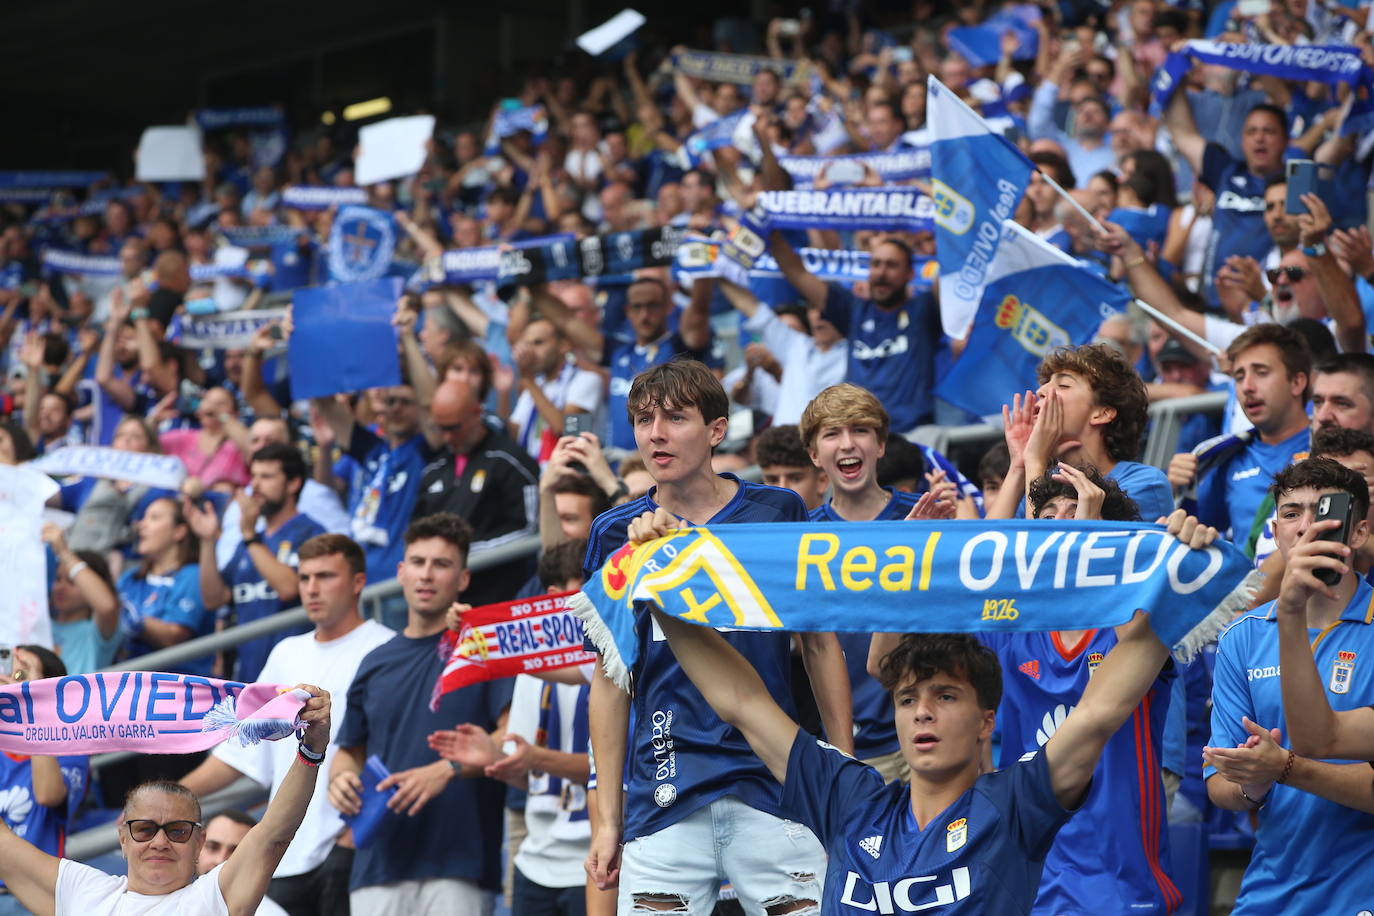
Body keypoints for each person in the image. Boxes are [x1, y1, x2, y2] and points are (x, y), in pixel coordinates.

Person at [649, 510, 1215, 914]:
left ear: (985, 721)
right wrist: (663, 591)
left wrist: (1178, 583)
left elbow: (1095, 714)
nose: (922, 713)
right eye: (906, 699)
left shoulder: (1016, 803)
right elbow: (743, 704)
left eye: (945, 696)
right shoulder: (850, 798)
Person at [583, 359, 851, 914]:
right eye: (641, 419)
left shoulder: (778, 512)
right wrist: (607, 821)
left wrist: (841, 775)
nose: (655, 433)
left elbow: (819, 645)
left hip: (777, 789)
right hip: (664, 795)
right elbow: (609, 683)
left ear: (716, 430)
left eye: (675, 417)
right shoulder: (613, 533)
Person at [984, 464, 1182, 916]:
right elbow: (889, 661)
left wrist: (1094, 538)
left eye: (1074, 513)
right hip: (1027, 881)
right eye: (1047, 518)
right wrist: (1023, 462)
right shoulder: (1012, 629)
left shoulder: (1132, 625)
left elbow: (1150, 603)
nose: (1058, 528)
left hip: (1117, 885)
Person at [181, 534, 395, 916]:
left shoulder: (387, 649)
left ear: (358, 582)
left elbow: (401, 749)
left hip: (354, 846)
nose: (312, 588)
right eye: (304, 577)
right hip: (285, 848)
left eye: (325, 576)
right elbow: (243, 751)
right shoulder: (286, 653)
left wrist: (358, 833)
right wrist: (175, 794)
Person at [1203, 458, 1374, 915]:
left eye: (1323, 511)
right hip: (1271, 888)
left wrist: (1283, 767)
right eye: (1292, 514)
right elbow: (1218, 784)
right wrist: (1253, 784)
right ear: (1276, 533)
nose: (1305, 527)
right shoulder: (1241, 636)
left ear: (1357, 533)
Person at [0, 686, 331, 916]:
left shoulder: (214, 897)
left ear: (200, 840)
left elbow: (274, 833)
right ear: (122, 837)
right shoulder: (83, 891)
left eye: (177, 831)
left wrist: (311, 749)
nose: (159, 842)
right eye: (144, 829)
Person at [328, 514, 512, 915]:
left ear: (463, 579)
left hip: (459, 862)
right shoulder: (374, 662)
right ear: (401, 572)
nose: (427, 575)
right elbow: (348, 750)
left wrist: (445, 769)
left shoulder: (484, 647)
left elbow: (509, 739)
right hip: (377, 862)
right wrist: (340, 776)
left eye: (441, 564)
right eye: (418, 562)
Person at [431, 538, 594, 916]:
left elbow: (620, 775)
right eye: (587, 586)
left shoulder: (616, 666)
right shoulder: (529, 674)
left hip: (596, 862)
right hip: (534, 865)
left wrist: (537, 757)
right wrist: (495, 760)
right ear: (555, 597)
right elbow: (531, 780)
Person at [799, 384, 953, 783]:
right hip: (856, 752)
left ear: (881, 445)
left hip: (937, 734)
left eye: (861, 430)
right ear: (815, 454)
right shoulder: (803, 541)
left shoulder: (926, 517)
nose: (847, 444)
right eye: (832, 434)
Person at [768, 232, 941, 433]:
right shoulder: (852, 311)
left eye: (891, 265)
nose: (881, 273)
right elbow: (796, 272)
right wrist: (768, 228)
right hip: (861, 435)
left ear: (910, 274)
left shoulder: (924, 310)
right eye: (876, 264)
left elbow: (949, 273)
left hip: (912, 434)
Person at [186, 443, 325, 682]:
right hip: (249, 674)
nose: (255, 486)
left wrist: (250, 535)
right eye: (254, 477)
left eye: (267, 477)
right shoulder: (250, 542)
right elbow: (214, 598)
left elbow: (289, 587)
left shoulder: (311, 533)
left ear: (293, 483)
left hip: (296, 676)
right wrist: (207, 542)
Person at [994, 343, 1171, 523]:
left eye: (1063, 385)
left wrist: (1035, 460)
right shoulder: (1038, 476)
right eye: (1044, 384)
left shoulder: (1144, 483)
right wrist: (1020, 465)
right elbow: (983, 545)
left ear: (1102, 413)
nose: (1040, 391)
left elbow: (1042, 546)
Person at [1168, 324, 1312, 542]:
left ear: (1297, 382)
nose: (1247, 387)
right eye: (1238, 376)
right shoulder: (1223, 456)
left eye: (1261, 373)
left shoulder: (1333, 447)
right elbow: (1196, 534)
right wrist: (1176, 490)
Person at [412, 379, 540, 606]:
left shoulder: (509, 460)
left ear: (477, 413)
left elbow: (529, 527)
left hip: (499, 598)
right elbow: (417, 531)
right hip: (445, 602)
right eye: (440, 428)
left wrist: (462, 553)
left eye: (453, 427)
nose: (447, 437)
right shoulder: (434, 469)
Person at [0, 647, 88, 916]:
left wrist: (33, 704)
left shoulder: (70, 750)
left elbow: (48, 794)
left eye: (20, 674)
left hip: (32, 899)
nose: (6, 679)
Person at [117, 496, 212, 675]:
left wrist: (136, 621)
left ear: (179, 532)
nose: (141, 525)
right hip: (130, 685)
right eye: (143, 518)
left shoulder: (193, 575)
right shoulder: (130, 578)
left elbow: (175, 635)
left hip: (178, 691)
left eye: (154, 518)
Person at [42, 523, 121, 673]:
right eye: (58, 579)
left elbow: (107, 606)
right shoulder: (38, 624)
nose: (60, 587)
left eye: (72, 582)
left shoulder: (94, 632)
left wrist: (64, 553)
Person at [197, 811, 290, 916]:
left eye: (235, 852)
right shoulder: (177, 899)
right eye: (212, 847)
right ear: (197, 847)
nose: (220, 860)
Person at [755, 424, 827, 513]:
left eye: (795, 479)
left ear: (822, 481)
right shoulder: (748, 524)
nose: (782, 489)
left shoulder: (843, 525)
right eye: (773, 480)